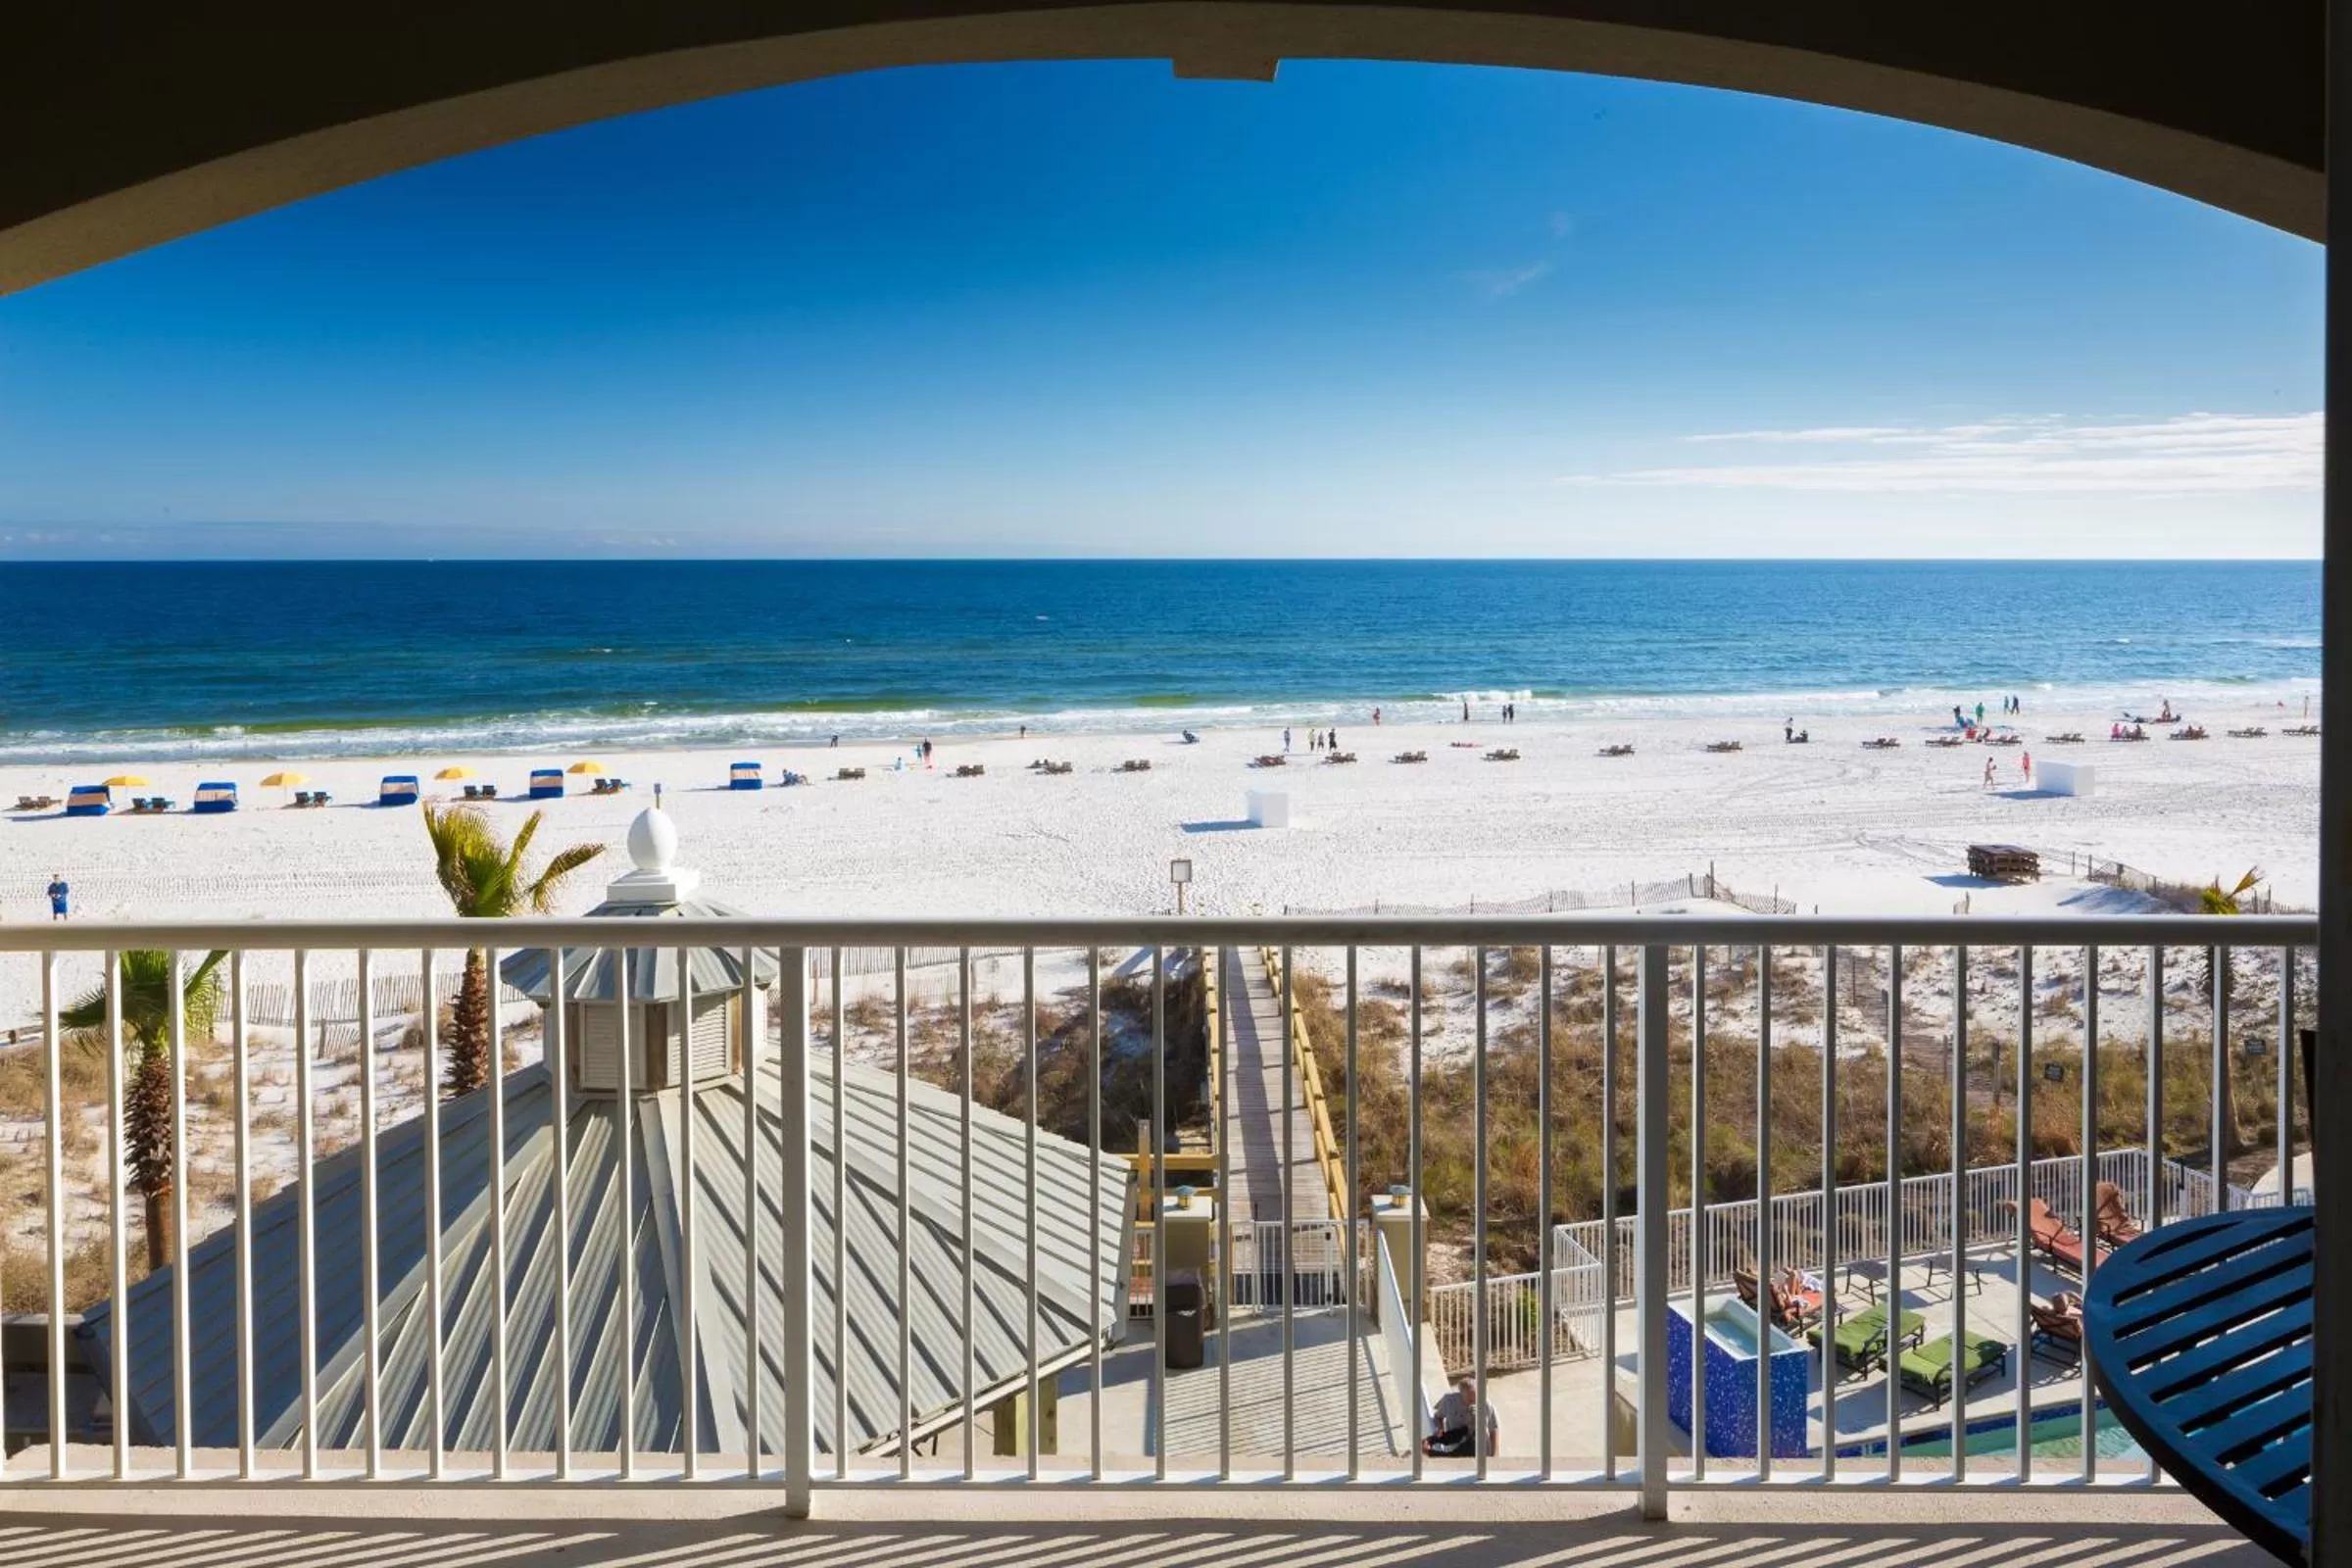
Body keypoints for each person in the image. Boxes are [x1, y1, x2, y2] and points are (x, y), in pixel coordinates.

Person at [1424, 1378, 1497, 1458]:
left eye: (1476, 1397)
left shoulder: (1486, 1405)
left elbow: (1493, 1429)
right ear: (1461, 1394)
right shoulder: (1449, 1401)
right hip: (1455, 1444)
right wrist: (1440, 1429)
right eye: (1470, 1398)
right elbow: (1438, 1417)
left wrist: (1495, 1455)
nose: (1474, 1401)